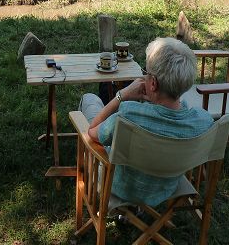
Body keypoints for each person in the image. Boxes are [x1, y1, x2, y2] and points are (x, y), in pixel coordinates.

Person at [78, 37, 214, 207]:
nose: (144, 76)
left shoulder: (127, 116)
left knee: (89, 99)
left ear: (153, 83)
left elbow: (92, 132)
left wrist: (121, 96)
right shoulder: (203, 122)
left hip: (120, 187)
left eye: (146, 72)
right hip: (165, 188)